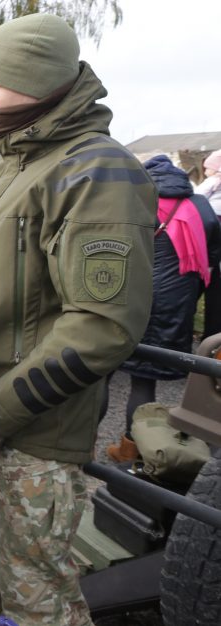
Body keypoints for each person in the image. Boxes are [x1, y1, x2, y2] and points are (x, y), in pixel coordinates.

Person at [0, 13, 156, 625]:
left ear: (41, 82)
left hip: (34, 431)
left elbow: (103, 325)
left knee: (38, 594)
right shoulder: (6, 166)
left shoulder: (96, 171)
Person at [106, 155, 219, 462]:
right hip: (174, 301)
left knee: (100, 372)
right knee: (145, 378)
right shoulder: (199, 205)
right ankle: (137, 447)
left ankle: (112, 448)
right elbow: (212, 255)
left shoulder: (132, 199)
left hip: (127, 296)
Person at [196, 149, 221, 338]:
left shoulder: (212, 183)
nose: (205, 172)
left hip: (211, 239)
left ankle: (211, 337)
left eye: (208, 168)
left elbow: (196, 197)